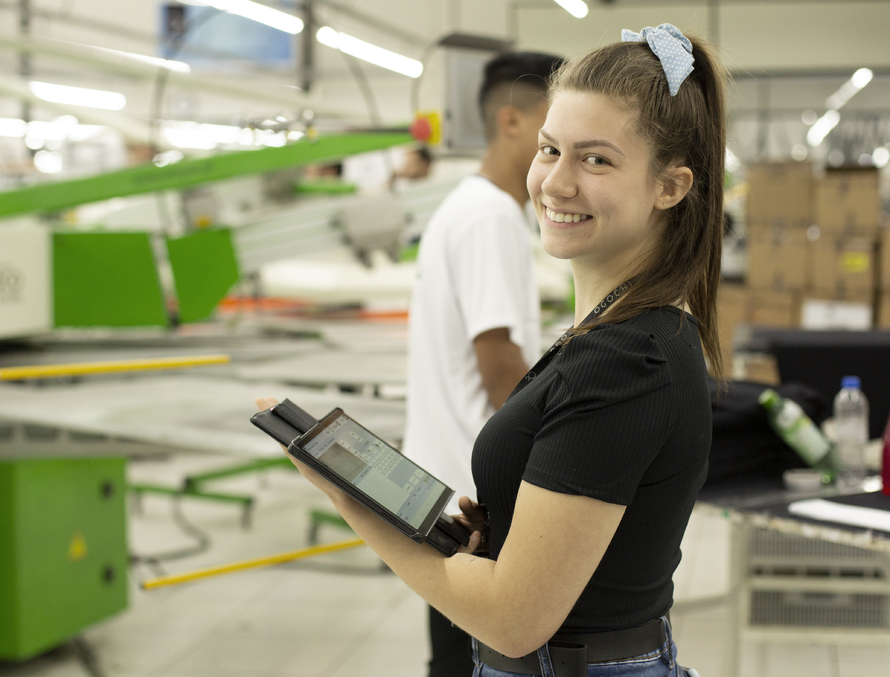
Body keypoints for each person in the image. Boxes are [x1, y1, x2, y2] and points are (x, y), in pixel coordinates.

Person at [258, 23, 724, 677]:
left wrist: (352, 500)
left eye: (596, 160)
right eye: (549, 149)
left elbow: (514, 618)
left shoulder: (624, 359)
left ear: (669, 187)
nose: (556, 183)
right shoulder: (619, 331)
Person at [401, 50, 563, 677]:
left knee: (453, 655)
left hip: (446, 482)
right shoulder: (491, 216)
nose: (563, 151)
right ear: (512, 122)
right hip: (473, 496)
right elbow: (500, 368)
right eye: (554, 131)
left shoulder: (472, 207)